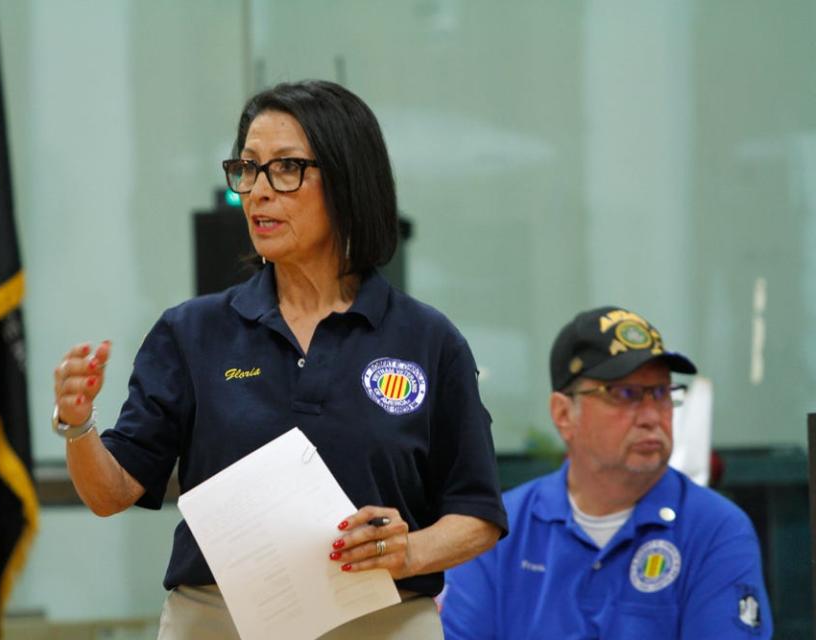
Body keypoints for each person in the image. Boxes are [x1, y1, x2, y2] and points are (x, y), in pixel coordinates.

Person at [52, 80, 508, 639]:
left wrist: (409, 550)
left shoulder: (428, 339)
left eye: (286, 168)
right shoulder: (191, 331)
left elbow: (478, 514)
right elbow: (111, 493)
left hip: (381, 618)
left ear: (346, 181)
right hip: (217, 620)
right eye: (247, 168)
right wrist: (78, 425)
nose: (258, 192)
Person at [441, 306, 773, 639]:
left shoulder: (716, 530)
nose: (651, 417)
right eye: (625, 394)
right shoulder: (499, 531)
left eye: (661, 394)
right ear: (563, 413)